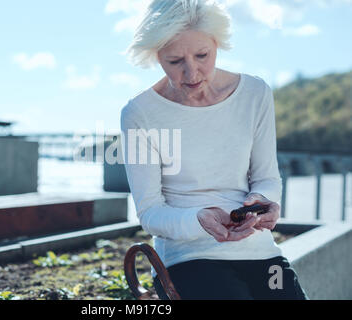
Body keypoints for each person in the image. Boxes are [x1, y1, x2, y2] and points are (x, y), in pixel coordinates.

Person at [119, 0, 308, 300]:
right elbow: (150, 212)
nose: (191, 72)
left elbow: (267, 178)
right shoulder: (139, 113)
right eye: (174, 61)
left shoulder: (255, 94)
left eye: (202, 55)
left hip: (260, 254)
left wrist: (263, 201)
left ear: (217, 43)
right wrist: (199, 220)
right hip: (187, 259)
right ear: (156, 55)